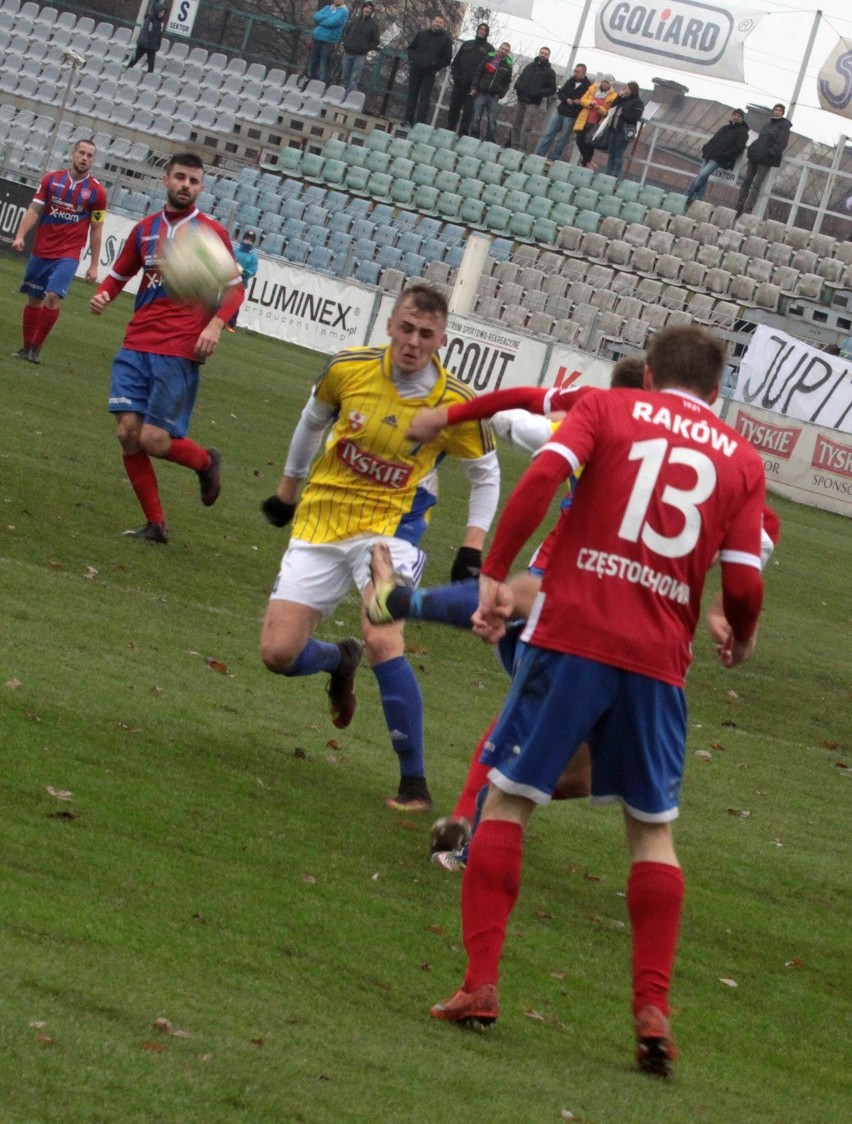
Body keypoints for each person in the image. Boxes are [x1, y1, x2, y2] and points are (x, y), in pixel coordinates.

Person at [428, 325, 766, 1082]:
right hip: (659, 663)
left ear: (648, 374)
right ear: (718, 393)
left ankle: (480, 983)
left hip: (573, 636)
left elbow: (542, 479)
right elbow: (743, 583)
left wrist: (497, 573)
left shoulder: (611, 409)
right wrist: (739, 635)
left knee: (510, 804)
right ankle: (652, 1010)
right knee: (652, 837)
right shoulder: (741, 458)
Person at [258, 284, 499, 812]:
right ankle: (335, 661)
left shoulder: (454, 403)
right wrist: (287, 490)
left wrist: (471, 548)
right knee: (278, 654)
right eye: (406, 328)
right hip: (322, 521)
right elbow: (310, 422)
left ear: (442, 340)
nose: (413, 342)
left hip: (392, 528)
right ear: (390, 324)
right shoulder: (348, 367)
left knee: (383, 637)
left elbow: (486, 475)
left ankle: (414, 784)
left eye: (426, 334)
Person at [89, 153, 243, 545]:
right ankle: (156, 524)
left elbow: (234, 288)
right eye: (180, 177)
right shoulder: (144, 230)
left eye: (193, 180)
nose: (185, 185)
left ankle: (206, 462)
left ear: (201, 188)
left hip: (179, 349)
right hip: (136, 343)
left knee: (154, 440)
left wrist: (214, 324)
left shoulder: (209, 234)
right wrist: (105, 295)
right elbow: (121, 272)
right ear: (165, 180)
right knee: (127, 433)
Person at [11, 138, 106, 366]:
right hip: (42, 249)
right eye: (81, 153)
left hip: (69, 253)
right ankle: (26, 348)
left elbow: (96, 229)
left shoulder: (97, 193)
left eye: (89, 155)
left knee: (53, 297)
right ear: (73, 154)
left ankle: (37, 348)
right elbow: (35, 209)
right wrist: (20, 235)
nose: (85, 158)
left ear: (93, 160)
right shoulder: (51, 180)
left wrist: (93, 265)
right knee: (34, 298)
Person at [735, 103, 792, 217]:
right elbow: (760, 138)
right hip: (756, 155)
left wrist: (771, 152)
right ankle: (739, 206)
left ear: (783, 112)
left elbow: (782, 142)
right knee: (746, 181)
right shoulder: (767, 124)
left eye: (779, 110)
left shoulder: (784, 125)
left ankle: (747, 210)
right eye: (775, 109)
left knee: (756, 185)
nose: (777, 111)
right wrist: (752, 149)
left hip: (766, 159)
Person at [684, 108, 749, 204]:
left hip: (719, 159)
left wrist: (724, 155)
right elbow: (714, 139)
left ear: (742, 119)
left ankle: (687, 195)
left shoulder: (743, 132)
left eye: (738, 116)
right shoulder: (725, 128)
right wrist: (706, 148)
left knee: (702, 175)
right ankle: (698, 200)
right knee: (703, 178)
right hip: (709, 154)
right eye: (734, 115)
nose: (736, 117)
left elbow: (738, 148)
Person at [404, 15, 453, 127]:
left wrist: (435, 66)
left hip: (430, 72)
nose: (438, 24)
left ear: (443, 24)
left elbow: (447, 59)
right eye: (436, 21)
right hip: (416, 69)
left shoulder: (446, 39)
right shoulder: (422, 34)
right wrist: (413, 60)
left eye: (440, 22)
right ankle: (408, 119)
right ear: (432, 21)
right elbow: (411, 48)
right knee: (412, 95)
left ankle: (420, 122)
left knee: (425, 98)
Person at [534, 64, 590, 162]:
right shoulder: (570, 81)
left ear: (583, 73)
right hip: (561, 111)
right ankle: (539, 154)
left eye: (578, 72)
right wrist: (566, 99)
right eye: (575, 71)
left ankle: (554, 157)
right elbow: (560, 93)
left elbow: (587, 101)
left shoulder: (588, 86)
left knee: (563, 138)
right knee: (548, 134)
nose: (575, 73)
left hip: (572, 115)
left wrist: (580, 101)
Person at [447, 22, 492, 135]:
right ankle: (449, 130)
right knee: (454, 107)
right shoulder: (467, 44)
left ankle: (462, 133)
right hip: (459, 83)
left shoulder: (490, 49)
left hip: (474, 87)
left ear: (487, 33)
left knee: (468, 111)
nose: (481, 31)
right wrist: (456, 77)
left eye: (484, 30)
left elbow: (489, 70)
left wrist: (478, 84)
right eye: (480, 29)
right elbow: (455, 62)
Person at [509, 47, 556, 150]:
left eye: (546, 54)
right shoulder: (529, 66)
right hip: (521, 100)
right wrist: (518, 86)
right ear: (539, 53)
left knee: (527, 127)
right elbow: (520, 78)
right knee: (517, 125)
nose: (543, 55)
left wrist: (538, 92)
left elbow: (552, 89)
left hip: (533, 103)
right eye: (542, 52)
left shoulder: (550, 72)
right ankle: (513, 147)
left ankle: (522, 149)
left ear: (548, 56)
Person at [468, 43, 513, 144]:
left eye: (506, 50)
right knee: (476, 117)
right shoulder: (488, 58)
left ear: (508, 52)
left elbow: (507, 81)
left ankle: (489, 141)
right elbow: (478, 72)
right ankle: (474, 138)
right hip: (481, 92)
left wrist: (502, 94)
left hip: (494, 96)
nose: (503, 51)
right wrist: (474, 87)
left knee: (492, 120)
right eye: (502, 48)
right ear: (499, 48)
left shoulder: (508, 65)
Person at [574, 75, 618, 168]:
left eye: (607, 83)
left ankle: (585, 163)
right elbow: (582, 100)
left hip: (596, 123)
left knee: (589, 143)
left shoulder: (613, 97)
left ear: (610, 85)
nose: (605, 84)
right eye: (604, 82)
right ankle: (589, 162)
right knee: (580, 141)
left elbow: (607, 113)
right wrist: (590, 103)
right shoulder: (593, 88)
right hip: (584, 118)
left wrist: (599, 108)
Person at [604, 81, 644, 180]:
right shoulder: (622, 100)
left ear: (632, 90)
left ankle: (614, 174)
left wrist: (622, 116)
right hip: (614, 128)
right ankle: (608, 173)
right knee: (611, 152)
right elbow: (613, 106)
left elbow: (636, 116)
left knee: (618, 152)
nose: (624, 90)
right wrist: (619, 96)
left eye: (626, 88)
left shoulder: (638, 102)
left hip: (624, 130)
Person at [340, 1, 380, 96]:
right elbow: (346, 31)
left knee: (354, 78)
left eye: (370, 8)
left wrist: (366, 48)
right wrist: (346, 42)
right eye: (366, 7)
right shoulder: (354, 20)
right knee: (344, 75)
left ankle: (349, 97)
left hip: (360, 55)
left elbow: (376, 41)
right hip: (348, 51)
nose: (367, 10)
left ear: (372, 11)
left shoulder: (373, 24)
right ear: (362, 8)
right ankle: (340, 95)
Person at [308, 0, 349, 85]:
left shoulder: (343, 11)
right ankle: (310, 82)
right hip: (317, 38)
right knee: (313, 63)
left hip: (329, 41)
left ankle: (322, 85)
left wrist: (322, 20)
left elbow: (332, 22)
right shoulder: (327, 8)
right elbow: (316, 16)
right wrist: (329, 16)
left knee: (324, 65)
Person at [227, 229, 258, 332]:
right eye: (247, 239)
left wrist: (246, 273)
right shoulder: (236, 250)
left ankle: (231, 324)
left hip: (241, 282)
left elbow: (253, 270)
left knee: (235, 303)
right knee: (224, 300)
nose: (248, 241)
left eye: (250, 240)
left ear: (253, 242)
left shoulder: (253, 256)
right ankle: (220, 321)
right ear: (243, 239)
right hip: (230, 279)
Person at [127, 1, 166, 73]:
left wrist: (158, 45)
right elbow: (144, 31)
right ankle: (127, 70)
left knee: (151, 65)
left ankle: (148, 79)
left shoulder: (161, 23)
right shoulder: (149, 20)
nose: (162, 14)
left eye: (163, 13)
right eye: (161, 12)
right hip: (144, 46)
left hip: (152, 47)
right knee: (135, 59)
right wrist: (145, 43)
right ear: (157, 11)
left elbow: (159, 35)